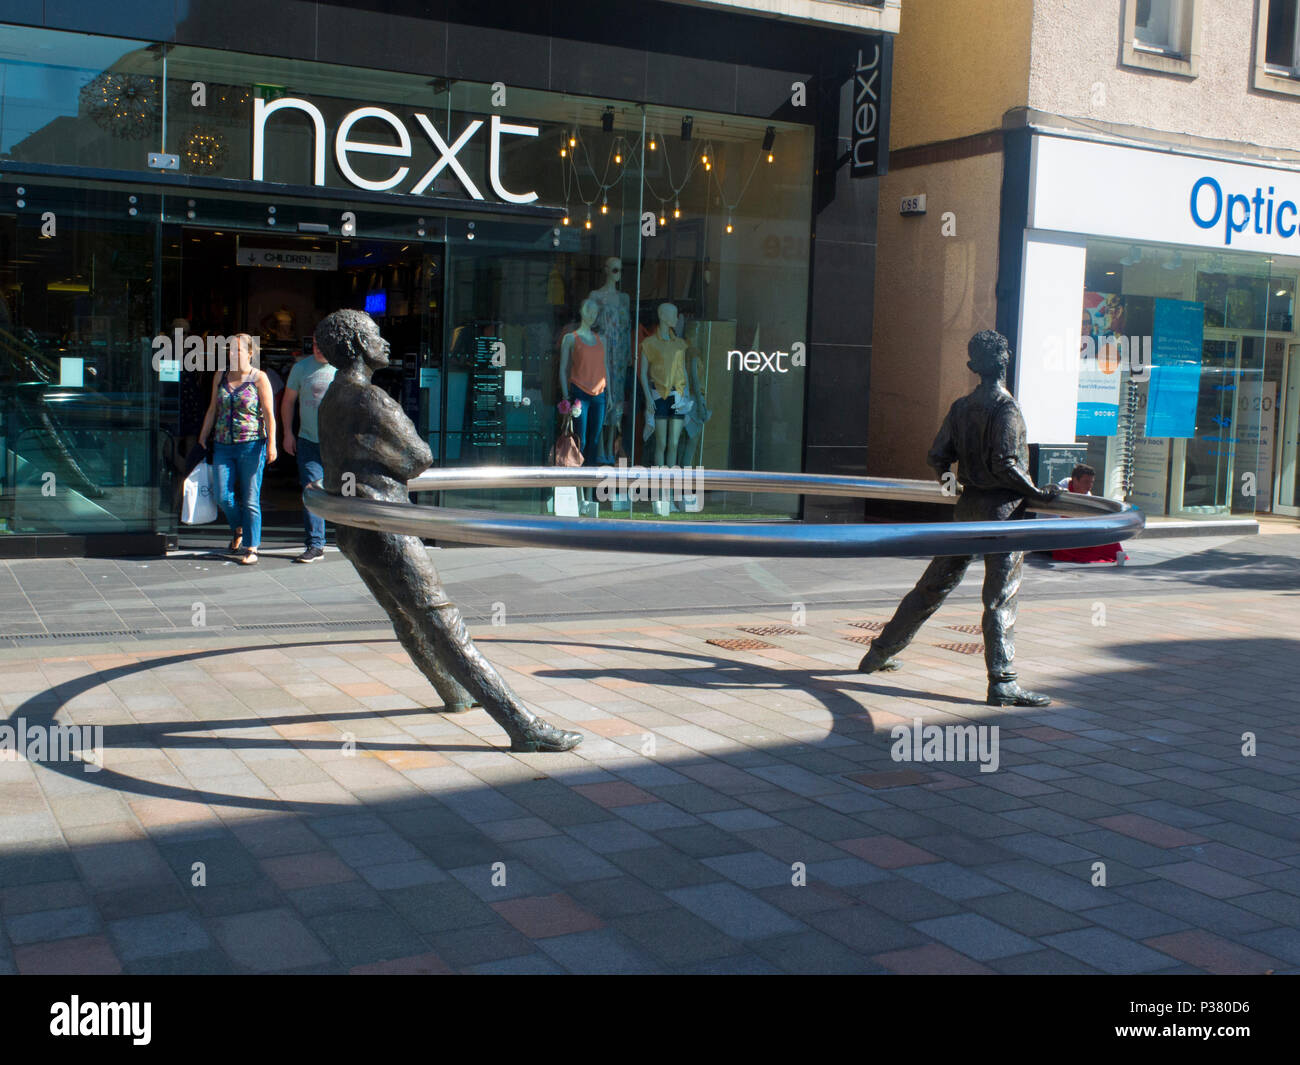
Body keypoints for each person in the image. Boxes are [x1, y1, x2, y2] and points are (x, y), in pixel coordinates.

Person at [315, 309, 582, 752]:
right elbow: (419, 458)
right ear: (360, 345)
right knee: (444, 623)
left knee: (405, 617)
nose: (384, 341)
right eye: (376, 334)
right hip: (387, 526)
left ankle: (454, 691)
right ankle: (522, 726)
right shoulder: (372, 399)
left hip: (351, 528)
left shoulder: (331, 398)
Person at [859, 329, 1059, 708]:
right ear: (1006, 359)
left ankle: (878, 653)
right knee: (1001, 598)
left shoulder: (961, 407)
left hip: (967, 510)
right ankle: (1003, 681)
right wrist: (1034, 492)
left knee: (932, 587)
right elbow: (1006, 462)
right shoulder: (1006, 408)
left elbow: (937, 456)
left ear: (972, 365)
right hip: (1001, 513)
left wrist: (954, 491)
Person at [199, 334, 276, 565]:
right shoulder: (220, 375)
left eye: (238, 350)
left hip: (252, 444)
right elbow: (213, 408)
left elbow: (269, 414)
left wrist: (272, 443)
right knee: (222, 496)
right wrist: (204, 433)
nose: (233, 354)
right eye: (230, 350)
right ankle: (238, 527)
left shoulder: (259, 378)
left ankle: (252, 547)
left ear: (250, 353)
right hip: (223, 443)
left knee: (251, 498)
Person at [281, 336, 336, 563]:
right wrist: (287, 433)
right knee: (312, 492)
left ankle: (351, 534)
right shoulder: (301, 368)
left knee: (347, 489)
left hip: (337, 443)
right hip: (308, 441)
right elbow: (287, 402)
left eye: (322, 344)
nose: (318, 349)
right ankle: (315, 543)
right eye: (314, 344)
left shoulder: (343, 367)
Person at [1052, 463, 1127, 564]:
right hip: (1058, 531)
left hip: (1078, 527)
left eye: (1091, 482)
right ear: (1075, 480)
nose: (1089, 486)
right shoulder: (1058, 491)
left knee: (1107, 537)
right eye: (1086, 482)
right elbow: (1053, 519)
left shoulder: (1087, 494)